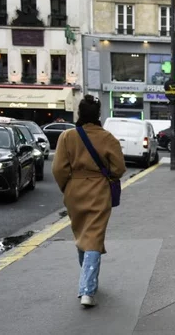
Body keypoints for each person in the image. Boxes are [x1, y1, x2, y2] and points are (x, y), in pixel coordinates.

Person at [52, 95, 126, 308]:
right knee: (93, 236)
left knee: (82, 233)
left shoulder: (67, 136)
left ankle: (88, 278)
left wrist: (67, 187)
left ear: (80, 114)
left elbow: (58, 169)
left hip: (74, 190)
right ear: (98, 114)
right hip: (99, 190)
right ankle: (87, 289)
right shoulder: (107, 138)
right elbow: (119, 168)